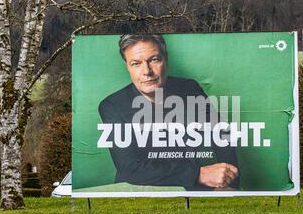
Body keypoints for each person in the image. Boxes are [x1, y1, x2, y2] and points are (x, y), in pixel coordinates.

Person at [98, 34, 240, 191]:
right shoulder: (111, 106)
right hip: (139, 192)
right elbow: (129, 168)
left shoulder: (189, 88)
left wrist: (228, 181)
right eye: (136, 63)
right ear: (127, 66)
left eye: (154, 60)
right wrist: (198, 174)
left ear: (165, 59)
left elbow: (221, 134)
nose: (147, 71)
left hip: (192, 188)